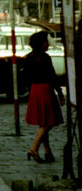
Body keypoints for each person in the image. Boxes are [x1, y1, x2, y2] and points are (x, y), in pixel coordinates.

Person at [23, 30, 63, 163]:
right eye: (46, 42)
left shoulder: (29, 57)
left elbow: (26, 76)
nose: (49, 45)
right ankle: (34, 148)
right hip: (45, 90)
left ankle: (47, 151)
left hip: (35, 90)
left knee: (43, 122)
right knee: (48, 123)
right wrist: (60, 93)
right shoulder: (46, 58)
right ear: (42, 44)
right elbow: (52, 77)